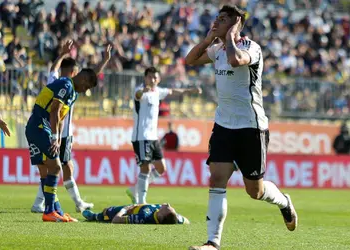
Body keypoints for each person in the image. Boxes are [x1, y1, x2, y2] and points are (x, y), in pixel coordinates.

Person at [185, 5, 297, 250]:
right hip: (224, 125)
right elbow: (190, 60)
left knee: (254, 191)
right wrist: (208, 40)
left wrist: (230, 36)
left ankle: (283, 202)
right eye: (216, 17)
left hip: (251, 128)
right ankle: (212, 243)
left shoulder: (250, 48)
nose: (216, 22)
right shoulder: (216, 50)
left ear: (235, 25)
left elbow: (236, 61)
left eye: (223, 19)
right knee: (216, 179)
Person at [31, 41, 112, 213]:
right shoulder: (68, 86)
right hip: (59, 132)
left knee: (55, 167)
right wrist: (104, 60)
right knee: (61, 167)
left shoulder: (57, 80)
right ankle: (69, 203)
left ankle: (44, 202)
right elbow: (91, 75)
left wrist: (62, 54)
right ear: (75, 73)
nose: (85, 88)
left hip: (58, 131)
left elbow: (89, 75)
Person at [25, 62, 98, 222]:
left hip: (39, 128)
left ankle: (56, 210)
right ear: (83, 79)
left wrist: (57, 138)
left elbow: (62, 117)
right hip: (38, 125)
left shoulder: (74, 93)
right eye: (87, 87)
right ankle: (49, 211)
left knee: (46, 170)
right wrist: (53, 136)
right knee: (56, 166)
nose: (85, 90)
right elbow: (55, 110)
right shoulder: (66, 84)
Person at [126, 66, 202, 205]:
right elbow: (137, 95)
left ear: (159, 79)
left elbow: (173, 91)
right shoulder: (140, 90)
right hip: (141, 137)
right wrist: (143, 90)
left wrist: (190, 90)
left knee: (161, 168)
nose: (153, 80)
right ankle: (141, 202)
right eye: (150, 77)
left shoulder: (157, 92)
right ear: (145, 78)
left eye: (155, 77)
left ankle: (135, 189)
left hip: (153, 137)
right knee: (146, 168)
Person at [82, 203, 190, 225]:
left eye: (168, 208)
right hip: (139, 205)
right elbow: (186, 221)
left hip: (130, 209)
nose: (168, 204)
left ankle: (95, 217)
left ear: (163, 216)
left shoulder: (143, 218)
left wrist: (124, 210)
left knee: (107, 211)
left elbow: (116, 220)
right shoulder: (175, 219)